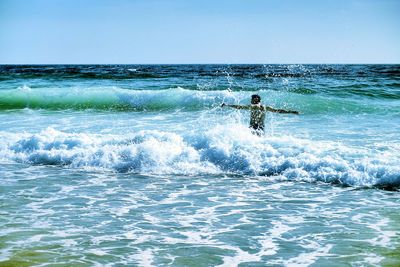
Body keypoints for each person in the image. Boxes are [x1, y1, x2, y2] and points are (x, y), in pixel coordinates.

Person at [221, 94, 299, 135]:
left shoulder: (252, 107)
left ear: (255, 100)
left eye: (252, 99)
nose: (251, 101)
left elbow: (239, 107)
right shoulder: (266, 107)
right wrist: (291, 112)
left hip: (253, 127)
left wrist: (227, 105)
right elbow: (278, 111)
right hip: (261, 127)